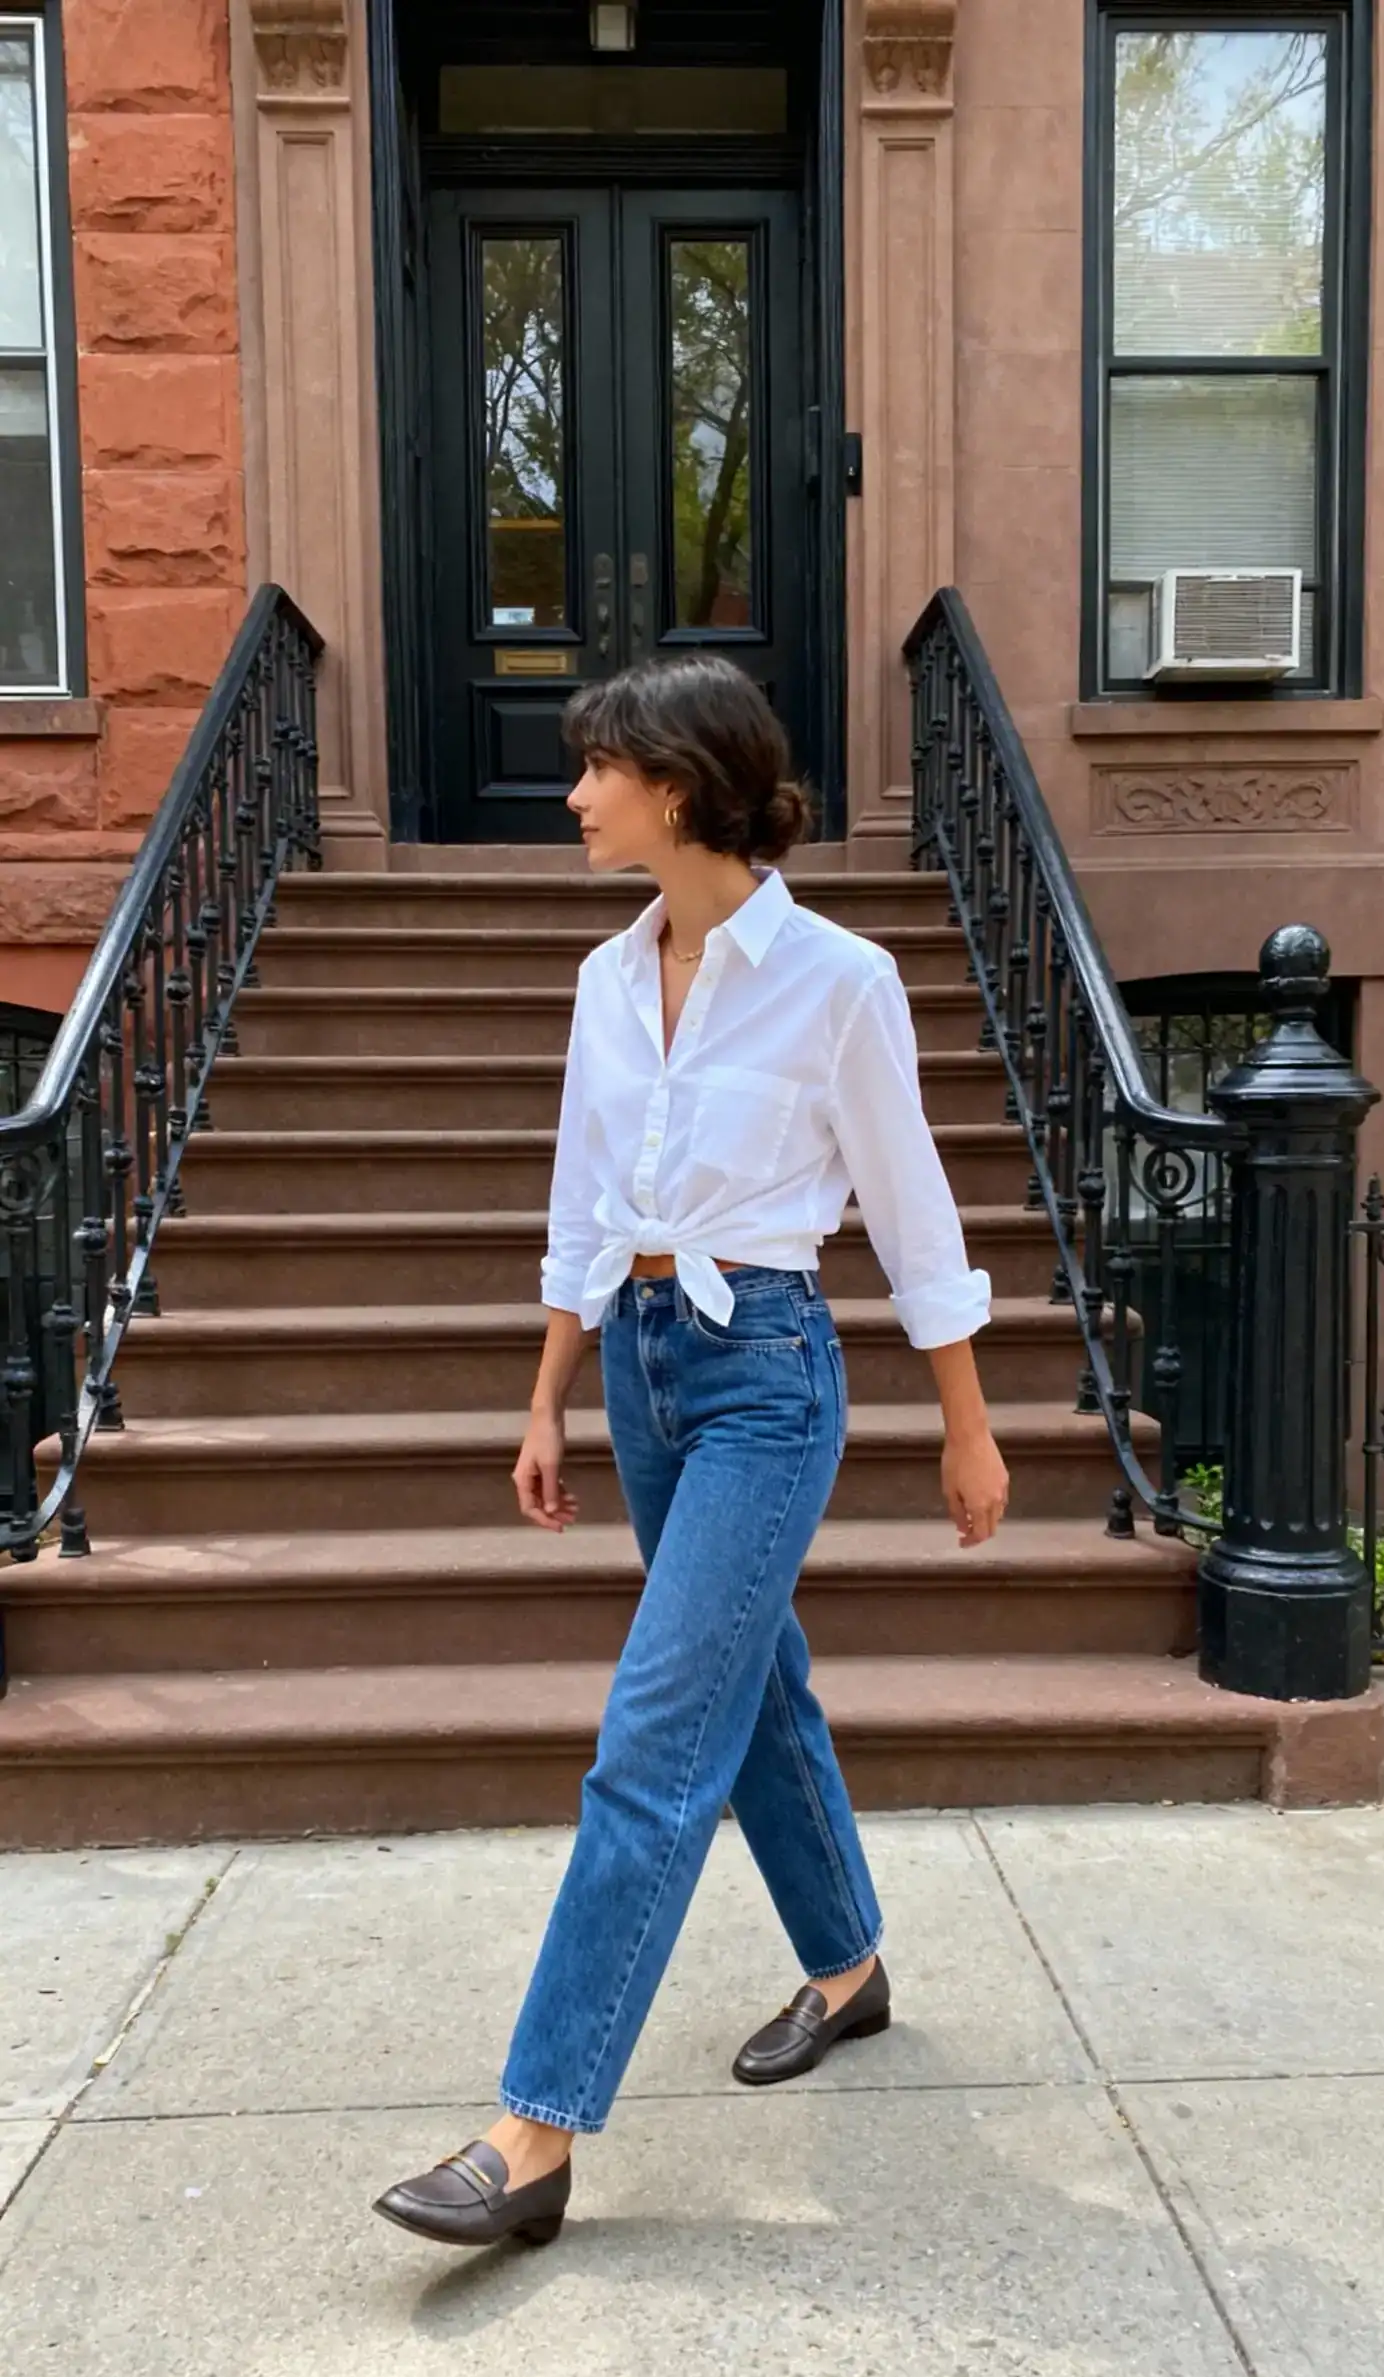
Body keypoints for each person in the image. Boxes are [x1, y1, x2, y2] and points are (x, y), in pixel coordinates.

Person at [374, 657, 1009, 2250]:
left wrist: (968, 1424)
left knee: (656, 1740)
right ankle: (850, 1963)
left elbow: (915, 1212)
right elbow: (588, 1206)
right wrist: (547, 1392)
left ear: (678, 784)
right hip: (646, 1373)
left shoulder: (841, 981)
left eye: (596, 768)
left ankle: (534, 2132)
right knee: (757, 1680)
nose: (573, 794)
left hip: (768, 1376)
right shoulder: (606, 978)